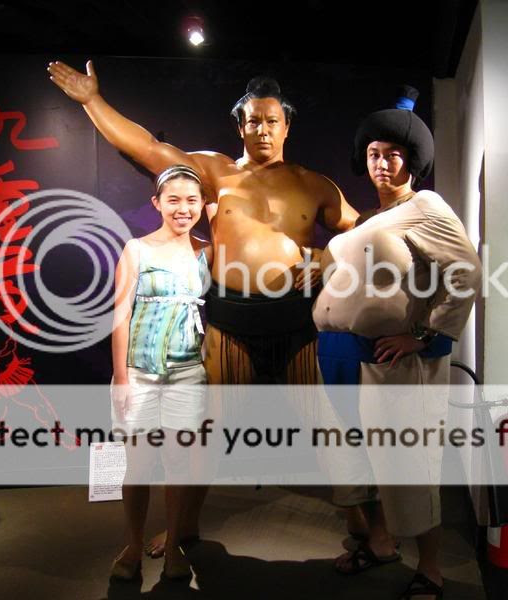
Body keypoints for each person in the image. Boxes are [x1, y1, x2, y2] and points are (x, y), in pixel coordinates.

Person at [48, 61, 358, 556]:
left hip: (295, 325)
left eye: (272, 121)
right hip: (230, 325)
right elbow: (148, 149)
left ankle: (368, 528)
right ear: (240, 127)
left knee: (327, 431)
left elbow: (362, 235)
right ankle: (182, 528)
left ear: (287, 126)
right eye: (253, 121)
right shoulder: (215, 172)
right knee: (204, 434)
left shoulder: (315, 185)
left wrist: (328, 257)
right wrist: (93, 102)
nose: (262, 130)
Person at [313, 86, 482, 599]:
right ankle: (380, 543)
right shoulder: (372, 218)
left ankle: (430, 569)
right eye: (373, 154)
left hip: (390, 362)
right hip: (340, 355)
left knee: (408, 464)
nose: (381, 164)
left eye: (393, 154)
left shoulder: (426, 206)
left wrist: (425, 335)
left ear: (412, 161)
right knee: (353, 463)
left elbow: (467, 273)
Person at [109, 164, 211, 582]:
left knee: (178, 464)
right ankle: (133, 544)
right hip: (140, 371)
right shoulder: (136, 249)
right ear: (157, 203)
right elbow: (120, 314)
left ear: (203, 205)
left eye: (192, 200)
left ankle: (173, 548)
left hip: (188, 372)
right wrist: (121, 377)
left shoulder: (207, 252)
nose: (183, 208)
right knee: (137, 466)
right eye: (174, 200)